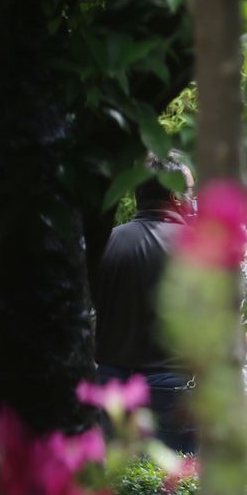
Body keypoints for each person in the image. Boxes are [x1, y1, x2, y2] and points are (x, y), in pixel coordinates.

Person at [89, 155, 198, 453]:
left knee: (118, 484)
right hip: (171, 391)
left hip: (111, 389)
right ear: (175, 196)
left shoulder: (107, 243)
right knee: (173, 488)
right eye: (190, 191)